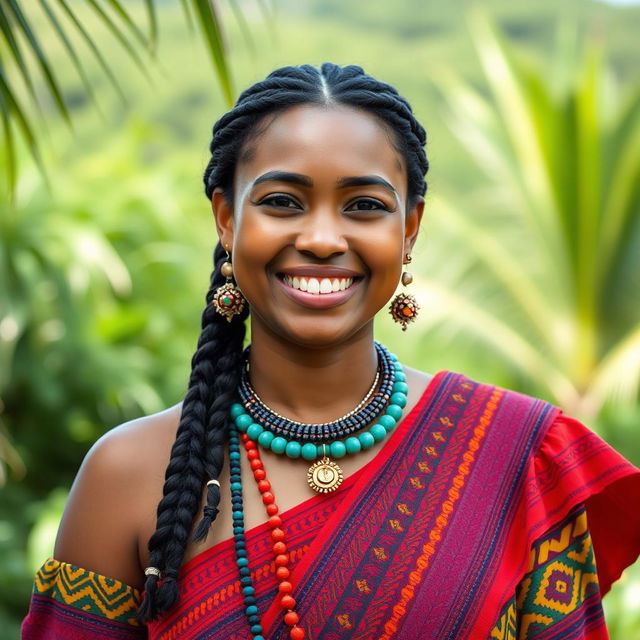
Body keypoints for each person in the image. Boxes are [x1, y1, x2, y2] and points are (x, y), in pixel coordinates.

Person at [22, 63, 640, 640]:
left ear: (410, 228)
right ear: (227, 220)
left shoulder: (518, 458)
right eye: (282, 202)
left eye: (365, 206)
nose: (321, 238)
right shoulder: (126, 476)